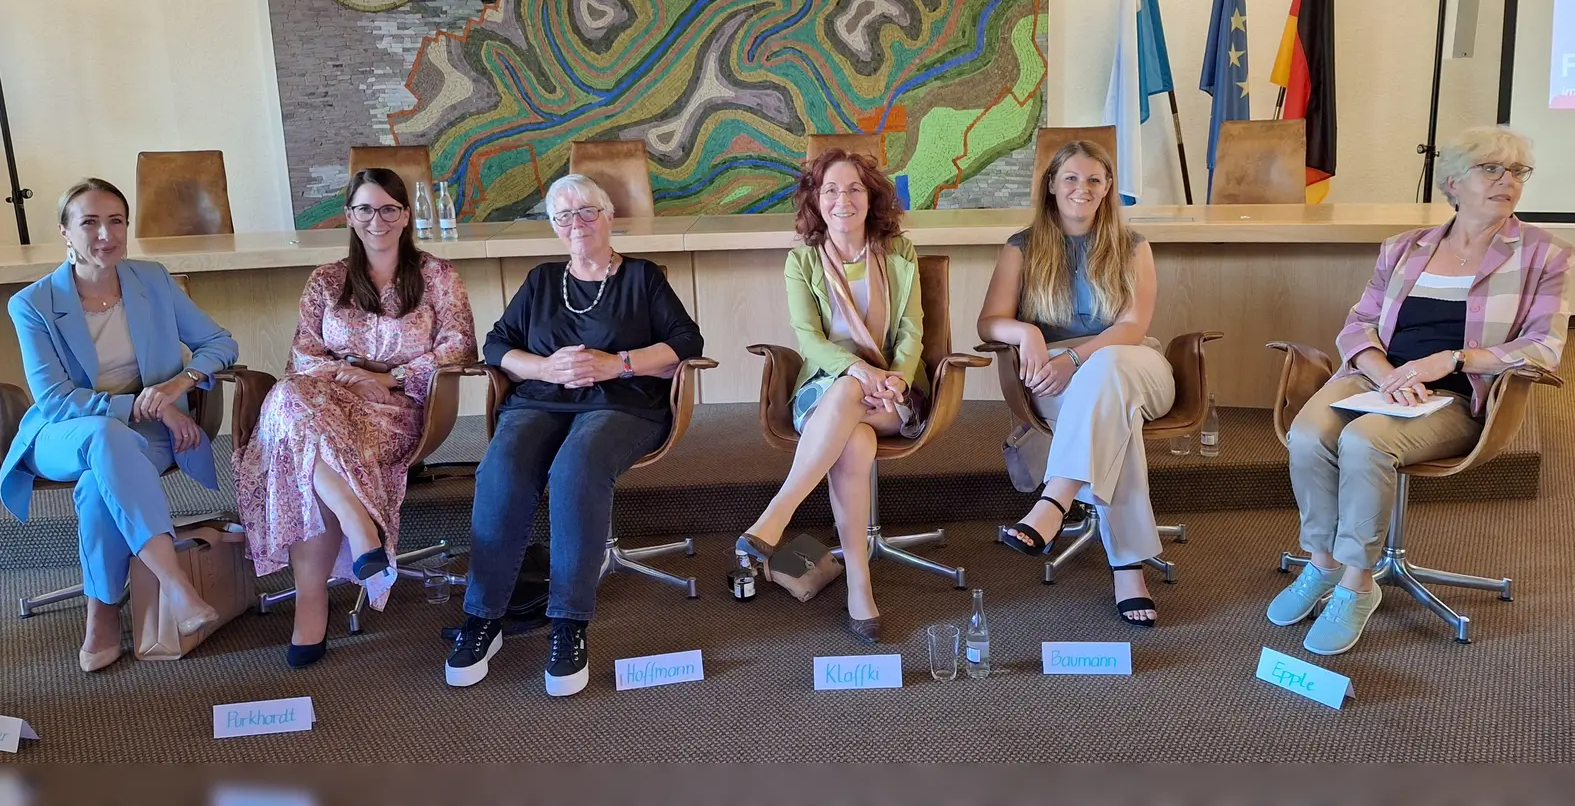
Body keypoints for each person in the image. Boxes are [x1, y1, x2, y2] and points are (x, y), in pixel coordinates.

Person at [1269, 125, 1573, 655]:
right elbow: (1358, 323)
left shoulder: (1545, 255)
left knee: (1366, 441)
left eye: (1518, 171)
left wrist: (1454, 359)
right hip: (1377, 381)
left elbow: (1543, 346)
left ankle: (1357, 585)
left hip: (1459, 395)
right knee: (1308, 433)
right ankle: (1321, 563)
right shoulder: (1404, 248)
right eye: (1491, 168)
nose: (1508, 181)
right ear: (1453, 182)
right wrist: (1385, 371)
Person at [448, 173, 703, 696]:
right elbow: (497, 346)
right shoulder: (542, 280)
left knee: (576, 467)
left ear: (610, 217)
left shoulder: (642, 279)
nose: (577, 224)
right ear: (554, 227)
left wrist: (619, 364)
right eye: (564, 216)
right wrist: (544, 368)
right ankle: (483, 618)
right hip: (540, 399)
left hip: (622, 404)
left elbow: (686, 341)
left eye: (587, 211)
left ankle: (568, 625)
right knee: (502, 467)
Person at [234, 168, 477, 668]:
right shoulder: (326, 279)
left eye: (389, 208)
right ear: (349, 216)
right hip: (328, 401)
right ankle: (355, 520)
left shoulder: (437, 276)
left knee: (297, 439)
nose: (377, 219)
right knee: (290, 402)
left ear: (406, 214)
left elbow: (459, 345)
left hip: (400, 407)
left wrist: (390, 378)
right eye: (364, 209)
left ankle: (312, 603)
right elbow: (304, 354)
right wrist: (349, 373)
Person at [1, 179, 239, 671]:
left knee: (97, 485)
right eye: (89, 222)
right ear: (65, 231)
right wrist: (143, 407)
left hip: (142, 436)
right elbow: (56, 399)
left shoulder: (151, 280)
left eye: (116, 221)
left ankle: (102, 616)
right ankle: (174, 583)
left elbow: (220, 342)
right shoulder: (32, 304)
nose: (105, 234)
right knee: (104, 436)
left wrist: (177, 387)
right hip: (59, 432)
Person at [734, 148, 930, 645]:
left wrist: (899, 378)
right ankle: (860, 585)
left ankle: (776, 516)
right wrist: (859, 371)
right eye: (830, 190)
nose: (843, 199)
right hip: (825, 389)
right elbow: (809, 341)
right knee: (855, 440)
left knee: (855, 404)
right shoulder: (801, 262)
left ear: (872, 198)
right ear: (815, 202)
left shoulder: (899, 253)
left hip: (892, 393)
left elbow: (911, 333)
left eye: (854, 189)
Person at [978, 140, 1173, 627]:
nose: (1081, 189)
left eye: (1093, 180)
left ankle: (1054, 498)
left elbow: (1130, 328)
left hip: (1135, 365)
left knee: (1107, 371)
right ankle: (1128, 570)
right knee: (1116, 420)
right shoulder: (1022, 247)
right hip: (1061, 383)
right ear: (1051, 185)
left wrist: (1071, 355)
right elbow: (989, 323)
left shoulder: (1133, 246)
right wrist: (1025, 332)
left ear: (1108, 188)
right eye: (1070, 178)